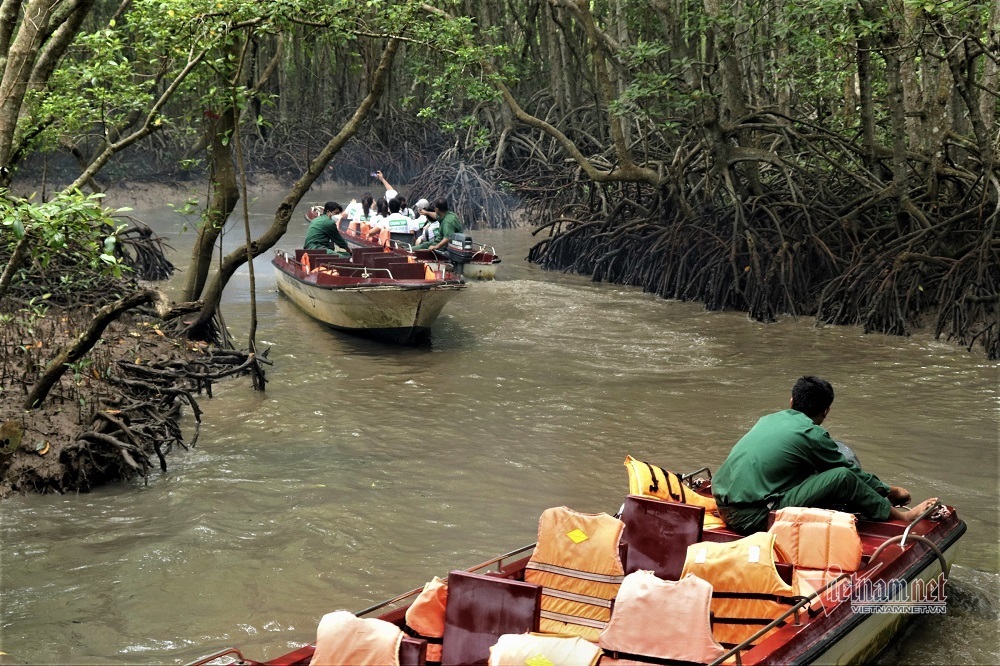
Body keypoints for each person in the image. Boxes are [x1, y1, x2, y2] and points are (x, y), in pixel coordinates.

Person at [711, 376, 938, 535]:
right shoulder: (812, 433)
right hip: (752, 518)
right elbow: (848, 472)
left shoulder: (769, 419)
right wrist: (890, 491)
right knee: (842, 477)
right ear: (826, 411)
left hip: (723, 505)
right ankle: (902, 517)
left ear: (791, 402)